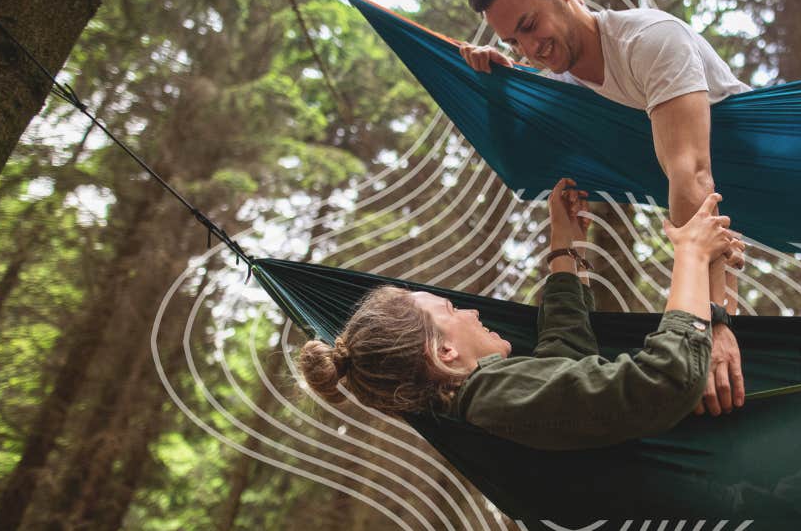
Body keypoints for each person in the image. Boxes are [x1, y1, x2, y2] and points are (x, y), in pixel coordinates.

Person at [458, 0, 750, 416]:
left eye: (530, 25)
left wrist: (712, 323)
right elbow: (524, 156)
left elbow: (693, 174)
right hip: (716, 210)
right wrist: (500, 85)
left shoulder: (650, 40)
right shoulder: (561, 88)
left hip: (756, 168)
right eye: (514, 41)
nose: (531, 49)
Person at [298, 178, 745, 450]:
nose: (472, 311)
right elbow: (667, 379)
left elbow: (563, 357)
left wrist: (564, 247)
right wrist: (689, 254)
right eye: (452, 309)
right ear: (446, 352)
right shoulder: (491, 399)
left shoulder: (488, 402)